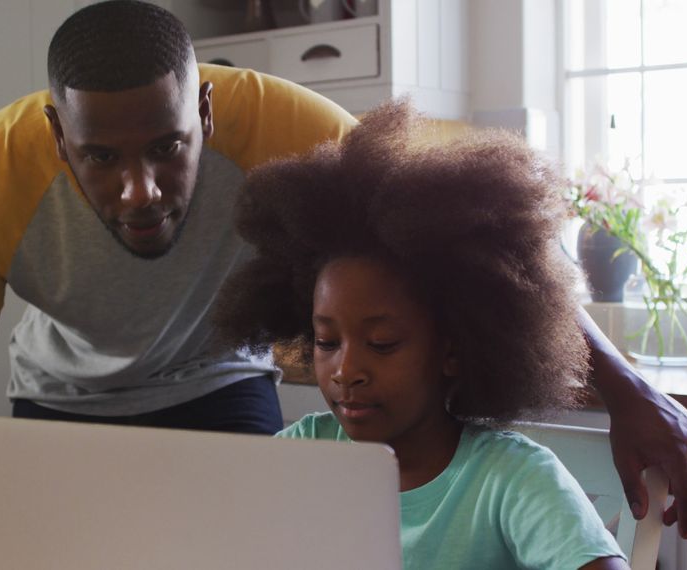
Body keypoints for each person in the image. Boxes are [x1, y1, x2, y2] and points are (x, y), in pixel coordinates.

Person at [0, 0, 687, 533]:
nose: (138, 190)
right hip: (57, 407)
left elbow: (472, 255)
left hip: (217, 389)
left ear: (205, 113)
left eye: (168, 148)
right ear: (54, 135)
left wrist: (628, 389)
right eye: (101, 157)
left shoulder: (287, 127)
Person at [215, 100, 630, 569]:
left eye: (382, 344)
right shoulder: (303, 454)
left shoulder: (509, 478)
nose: (346, 370)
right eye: (327, 342)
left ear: (451, 349)